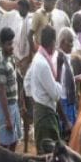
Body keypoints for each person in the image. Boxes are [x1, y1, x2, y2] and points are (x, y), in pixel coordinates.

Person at [24, 25, 65, 154]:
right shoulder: (43, 64)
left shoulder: (38, 57)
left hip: (40, 111)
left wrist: (35, 98)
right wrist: (58, 68)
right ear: (53, 42)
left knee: (44, 155)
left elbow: (27, 82)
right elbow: (56, 95)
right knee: (50, 157)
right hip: (46, 115)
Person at [0, 27, 22, 151]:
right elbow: (2, 93)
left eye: (12, 43)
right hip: (5, 105)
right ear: (2, 44)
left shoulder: (9, 57)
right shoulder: (1, 65)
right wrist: (8, 118)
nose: (12, 47)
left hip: (12, 104)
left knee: (14, 138)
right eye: (9, 44)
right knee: (5, 142)